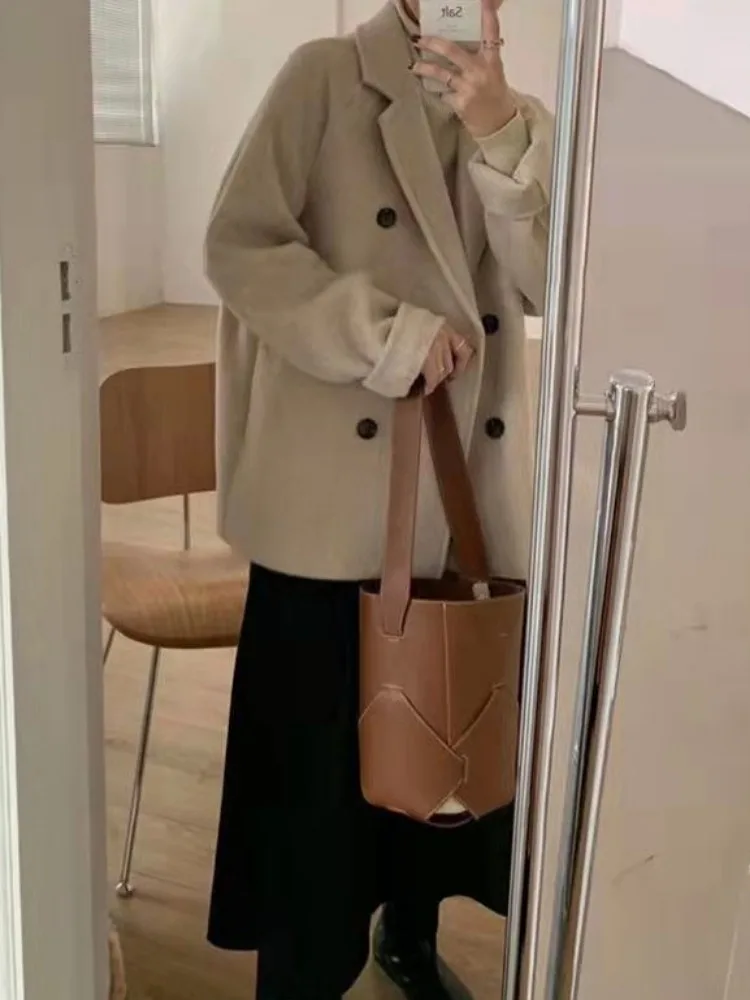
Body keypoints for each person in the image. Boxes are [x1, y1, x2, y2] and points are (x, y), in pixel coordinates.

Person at [205, 0, 552, 996]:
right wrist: (387, 334)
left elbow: (551, 285)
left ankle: (408, 939)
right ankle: (304, 977)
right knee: (314, 793)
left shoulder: (523, 118)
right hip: (333, 507)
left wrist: (499, 136)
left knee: (441, 755)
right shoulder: (322, 76)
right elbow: (240, 246)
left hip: (463, 500)